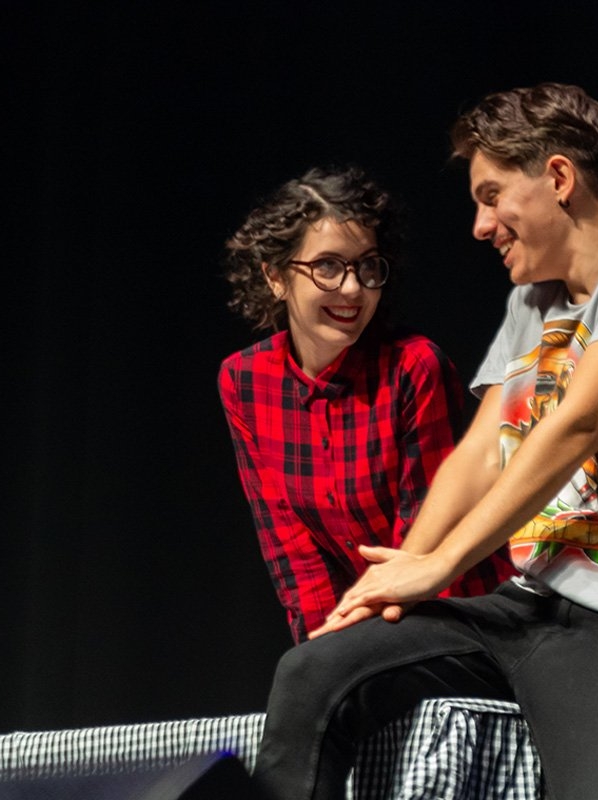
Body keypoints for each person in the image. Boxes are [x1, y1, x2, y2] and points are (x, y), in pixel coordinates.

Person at [254, 85, 598, 800]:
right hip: (523, 609)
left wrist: (443, 564)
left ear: (558, 177)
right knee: (316, 671)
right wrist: (398, 574)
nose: (481, 226)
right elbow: (481, 453)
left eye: (491, 197)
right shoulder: (533, 300)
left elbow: (579, 423)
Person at [218, 165, 514, 643]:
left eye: (367, 266)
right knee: (307, 675)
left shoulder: (413, 367)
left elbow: (422, 535)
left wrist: (359, 651)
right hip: (357, 625)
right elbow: (289, 547)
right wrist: (325, 645)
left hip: (459, 613)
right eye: (327, 266)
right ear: (276, 277)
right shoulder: (245, 380)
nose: (353, 288)